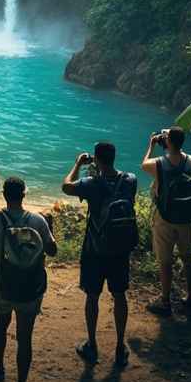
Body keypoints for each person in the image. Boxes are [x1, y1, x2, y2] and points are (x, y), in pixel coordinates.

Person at [0, 175, 57, 382]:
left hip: (3, 284)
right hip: (30, 288)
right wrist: (49, 230)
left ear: (4, 195)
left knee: (1, 325)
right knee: (25, 337)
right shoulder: (38, 220)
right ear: (24, 195)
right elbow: (52, 251)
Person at [62, 141, 138, 368]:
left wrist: (77, 164)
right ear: (114, 158)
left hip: (95, 249)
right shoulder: (130, 180)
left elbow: (66, 186)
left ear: (96, 159)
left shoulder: (91, 184)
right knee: (119, 295)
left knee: (92, 296)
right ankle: (119, 346)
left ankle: (92, 344)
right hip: (120, 250)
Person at [142, 125, 191, 316]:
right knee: (188, 259)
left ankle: (165, 301)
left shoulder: (158, 163)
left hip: (165, 217)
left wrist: (151, 145)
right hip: (187, 217)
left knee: (165, 261)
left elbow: (144, 164)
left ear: (167, 142)